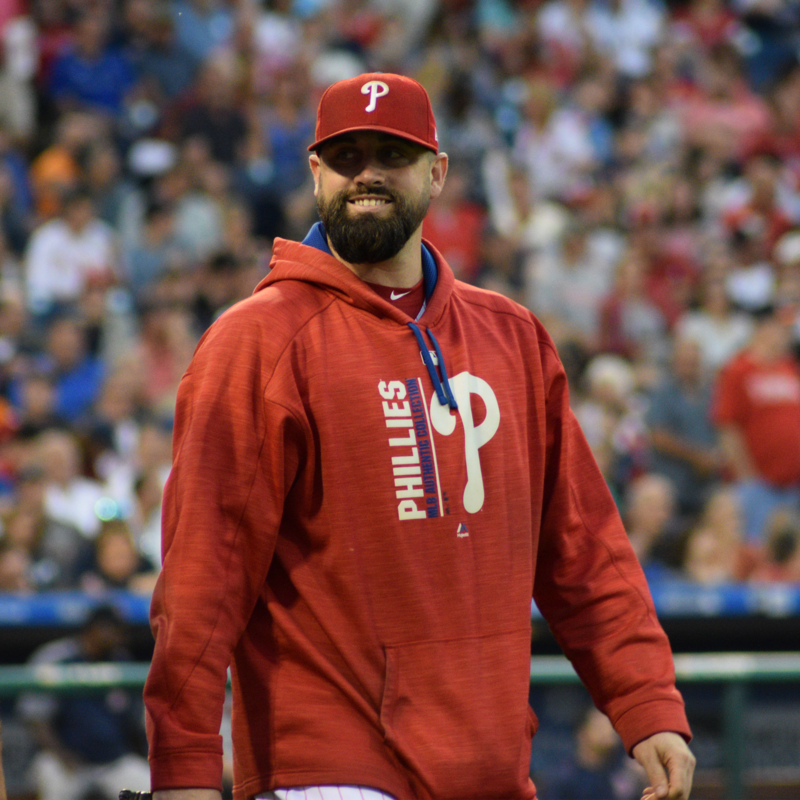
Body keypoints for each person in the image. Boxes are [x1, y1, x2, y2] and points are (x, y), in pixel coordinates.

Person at [144, 73, 695, 800]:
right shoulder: (257, 340)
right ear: (315, 176)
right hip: (329, 773)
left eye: (392, 156)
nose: (366, 175)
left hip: (493, 769)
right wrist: (182, 768)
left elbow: (583, 550)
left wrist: (646, 702)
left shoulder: (513, 336)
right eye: (345, 158)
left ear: (437, 175)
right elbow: (202, 580)